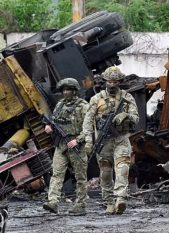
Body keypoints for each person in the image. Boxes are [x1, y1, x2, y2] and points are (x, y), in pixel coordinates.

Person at [82, 66, 139, 215]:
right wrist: (88, 141)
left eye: (115, 82)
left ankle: (120, 198)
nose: (112, 85)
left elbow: (136, 118)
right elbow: (88, 121)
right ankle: (108, 202)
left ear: (120, 81)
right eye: (109, 82)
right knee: (105, 173)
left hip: (121, 139)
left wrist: (125, 116)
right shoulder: (96, 99)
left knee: (122, 169)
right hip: (103, 141)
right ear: (105, 82)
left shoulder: (128, 98)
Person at [42, 78, 89, 215]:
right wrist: (48, 126)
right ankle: (53, 202)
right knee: (56, 174)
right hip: (61, 145)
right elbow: (53, 120)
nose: (65, 92)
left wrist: (78, 140)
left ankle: (81, 205)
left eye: (68, 89)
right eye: (64, 90)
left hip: (77, 146)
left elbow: (89, 128)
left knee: (80, 177)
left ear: (75, 91)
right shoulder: (60, 105)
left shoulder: (83, 106)